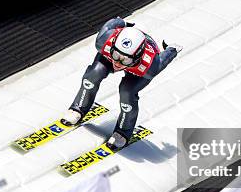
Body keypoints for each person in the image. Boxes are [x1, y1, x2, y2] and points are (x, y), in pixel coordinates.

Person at [61, 17, 182, 150]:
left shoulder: (149, 66)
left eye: (124, 60)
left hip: (137, 69)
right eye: (116, 55)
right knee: (93, 75)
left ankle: (123, 131)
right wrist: (122, 22)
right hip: (126, 58)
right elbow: (111, 25)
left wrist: (172, 49)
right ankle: (78, 107)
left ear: (137, 57)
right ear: (112, 46)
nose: (117, 63)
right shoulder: (103, 41)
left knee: (127, 92)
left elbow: (163, 60)